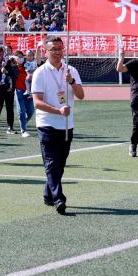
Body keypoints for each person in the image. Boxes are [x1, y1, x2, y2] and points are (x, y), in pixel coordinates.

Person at [32, 36, 84, 215]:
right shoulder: (40, 72)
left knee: (60, 163)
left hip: (67, 125)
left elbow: (81, 95)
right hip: (47, 123)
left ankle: (48, 194)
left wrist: (72, 82)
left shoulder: (71, 70)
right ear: (45, 51)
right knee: (52, 162)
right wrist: (58, 110)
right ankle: (59, 198)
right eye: (53, 49)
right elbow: (37, 102)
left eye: (60, 48)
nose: (57, 52)